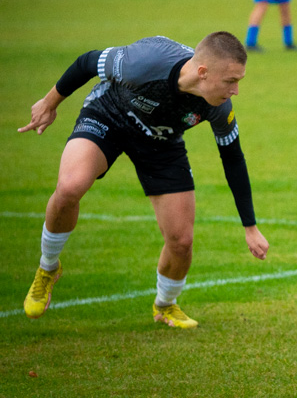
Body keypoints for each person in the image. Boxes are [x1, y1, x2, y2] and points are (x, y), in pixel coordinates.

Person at [19, 32, 270, 328]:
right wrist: (50, 102)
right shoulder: (144, 62)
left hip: (161, 142)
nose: (236, 90)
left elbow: (233, 158)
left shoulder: (217, 107)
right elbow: (87, 62)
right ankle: (48, 267)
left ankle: (165, 305)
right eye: (231, 81)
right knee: (70, 186)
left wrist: (250, 227)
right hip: (109, 117)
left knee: (181, 241)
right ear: (203, 73)